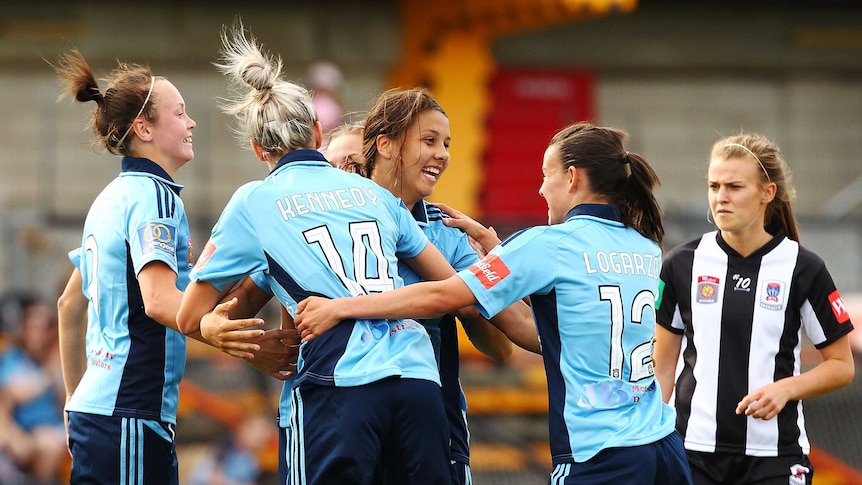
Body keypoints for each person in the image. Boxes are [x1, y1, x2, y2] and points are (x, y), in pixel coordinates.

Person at [294, 122, 693, 485]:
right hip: (662, 445)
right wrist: (498, 251)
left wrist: (341, 307)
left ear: (572, 178)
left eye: (545, 176)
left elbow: (444, 294)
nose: (541, 189)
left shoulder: (548, 244)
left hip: (600, 454)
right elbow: (559, 324)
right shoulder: (644, 247)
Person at [176, 25, 458, 484]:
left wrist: (233, 339)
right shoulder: (371, 193)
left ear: (255, 148)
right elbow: (454, 289)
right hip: (418, 381)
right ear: (317, 131)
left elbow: (190, 315)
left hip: (338, 384)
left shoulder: (254, 201)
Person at [651, 133, 855, 485]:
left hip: (775, 458)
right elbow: (662, 365)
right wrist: (651, 441)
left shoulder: (803, 267)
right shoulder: (681, 264)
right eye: (714, 186)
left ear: (767, 193)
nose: (721, 198)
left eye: (734, 186)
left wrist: (786, 389)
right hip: (693, 453)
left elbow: (841, 366)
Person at [50, 49, 197, 485]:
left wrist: (74, 399)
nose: (191, 123)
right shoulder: (156, 196)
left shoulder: (110, 198)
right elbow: (158, 301)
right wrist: (228, 336)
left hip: (99, 413)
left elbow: (67, 305)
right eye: (181, 112)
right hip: (131, 412)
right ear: (144, 128)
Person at [0, 295, 68, 485]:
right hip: (22, 430)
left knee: (50, 443)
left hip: (53, 429)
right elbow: (10, 395)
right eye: (30, 324)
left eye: (43, 326)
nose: (35, 332)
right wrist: (47, 374)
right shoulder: (12, 357)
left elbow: (66, 402)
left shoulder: (59, 360)